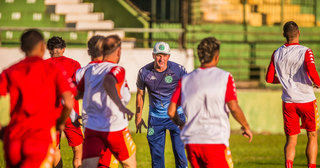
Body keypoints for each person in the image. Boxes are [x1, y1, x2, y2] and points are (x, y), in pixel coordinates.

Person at [168, 37, 253, 168]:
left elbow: (171, 111)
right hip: (214, 141)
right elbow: (233, 107)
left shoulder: (185, 80)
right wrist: (246, 126)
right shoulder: (224, 77)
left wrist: (181, 123)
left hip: (192, 144)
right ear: (216, 56)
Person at [0, 29, 75, 168]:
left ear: (22, 48)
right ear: (42, 47)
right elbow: (69, 102)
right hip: (39, 139)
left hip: (14, 138)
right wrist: (60, 123)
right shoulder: (53, 69)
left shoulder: (10, 71)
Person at [266, 21, 320, 168]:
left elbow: (269, 78)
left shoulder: (277, 53)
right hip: (307, 100)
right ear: (299, 33)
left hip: (288, 102)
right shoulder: (305, 51)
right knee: (312, 136)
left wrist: (286, 81)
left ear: (284, 35)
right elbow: (313, 73)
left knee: (291, 140)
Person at [76, 35, 136, 168]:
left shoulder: (90, 70)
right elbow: (109, 82)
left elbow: (77, 93)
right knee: (130, 164)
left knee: (89, 166)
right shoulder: (117, 69)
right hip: (113, 126)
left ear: (102, 51)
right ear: (119, 51)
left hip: (91, 127)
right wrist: (121, 106)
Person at [135, 42, 188, 168]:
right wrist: (138, 117)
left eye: (164, 55)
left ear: (168, 56)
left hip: (176, 117)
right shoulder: (144, 72)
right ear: (153, 55)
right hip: (155, 118)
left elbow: (188, 92)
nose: (161, 59)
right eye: (159, 55)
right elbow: (140, 95)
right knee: (156, 158)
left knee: (180, 155)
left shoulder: (179, 70)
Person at [46, 36, 83, 168]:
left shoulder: (43, 65)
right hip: (70, 113)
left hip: (51, 114)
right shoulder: (74, 64)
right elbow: (80, 88)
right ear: (63, 49)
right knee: (78, 149)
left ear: (49, 49)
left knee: (55, 149)